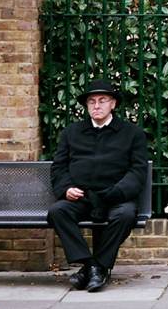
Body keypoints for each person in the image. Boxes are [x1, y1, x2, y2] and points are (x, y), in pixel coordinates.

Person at [47, 79, 148, 292]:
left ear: (113, 104)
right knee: (58, 211)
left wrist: (117, 192)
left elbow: (137, 171)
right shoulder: (71, 132)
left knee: (125, 215)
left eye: (102, 100)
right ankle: (93, 266)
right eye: (91, 101)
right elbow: (59, 167)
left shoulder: (132, 133)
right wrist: (66, 189)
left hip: (116, 197)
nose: (96, 106)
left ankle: (94, 268)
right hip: (82, 197)